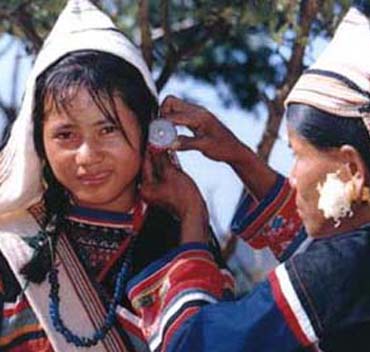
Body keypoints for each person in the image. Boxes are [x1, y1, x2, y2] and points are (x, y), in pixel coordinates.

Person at [123, 7, 370, 352]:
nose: (292, 175)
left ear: (351, 169)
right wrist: (238, 156)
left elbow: (193, 345)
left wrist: (191, 218)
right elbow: (328, 249)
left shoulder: (342, 271)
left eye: (297, 154)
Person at [0, 1, 231, 351]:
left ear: (146, 130)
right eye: (65, 135)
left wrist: (192, 217)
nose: (88, 156)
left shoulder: (178, 237)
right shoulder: (12, 247)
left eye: (108, 129)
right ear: (39, 143)